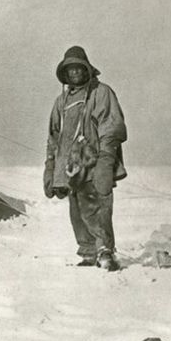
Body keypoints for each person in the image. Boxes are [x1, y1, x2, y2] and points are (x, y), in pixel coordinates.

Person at [44, 46, 127, 271]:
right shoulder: (61, 102)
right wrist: (51, 168)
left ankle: (104, 251)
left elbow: (111, 129)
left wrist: (105, 162)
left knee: (98, 207)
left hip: (94, 162)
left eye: (78, 68)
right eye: (69, 70)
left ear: (87, 69)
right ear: (64, 74)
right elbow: (54, 137)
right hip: (72, 168)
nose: (74, 73)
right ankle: (88, 251)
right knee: (77, 211)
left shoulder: (101, 93)